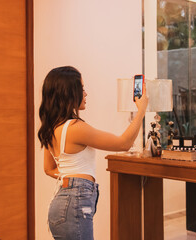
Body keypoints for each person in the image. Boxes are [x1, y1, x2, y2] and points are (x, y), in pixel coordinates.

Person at [37, 66, 148, 240]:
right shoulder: (75, 128)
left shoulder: (52, 128)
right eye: (82, 88)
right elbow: (124, 143)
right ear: (69, 92)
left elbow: (48, 169)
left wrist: (71, 179)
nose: (86, 93)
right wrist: (141, 110)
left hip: (62, 203)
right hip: (74, 202)